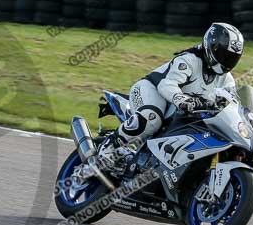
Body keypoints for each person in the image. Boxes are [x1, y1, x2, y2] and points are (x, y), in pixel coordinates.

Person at [97, 22, 244, 170]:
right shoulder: (189, 60)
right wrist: (181, 100)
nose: (226, 61)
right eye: (224, 55)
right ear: (212, 46)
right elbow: (167, 85)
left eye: (232, 58)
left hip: (181, 112)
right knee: (152, 117)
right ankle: (109, 146)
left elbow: (232, 102)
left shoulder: (226, 78)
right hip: (151, 90)